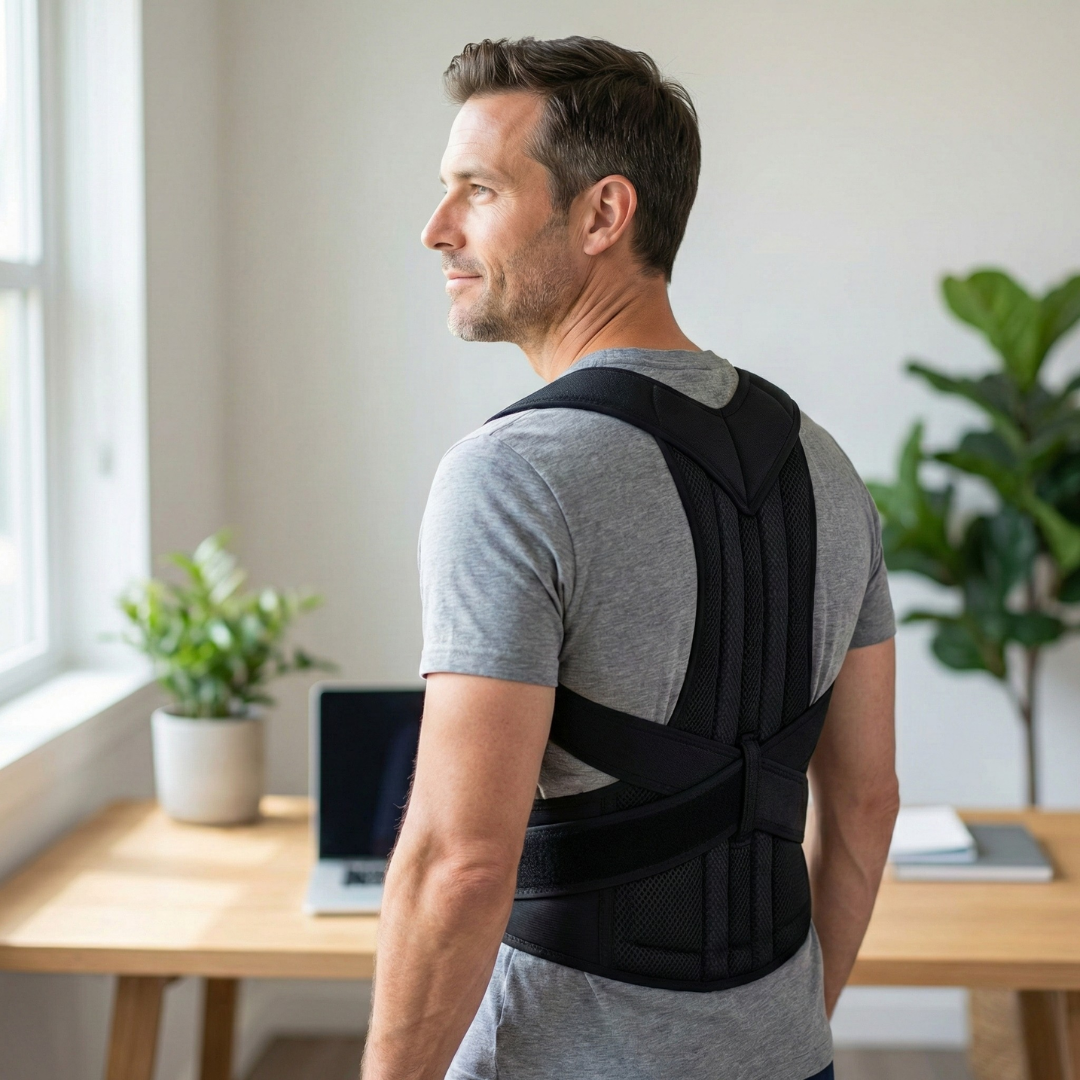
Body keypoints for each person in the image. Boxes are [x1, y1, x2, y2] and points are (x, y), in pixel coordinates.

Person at [362, 36, 899, 1080]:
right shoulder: (828, 468)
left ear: (604, 213)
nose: (435, 230)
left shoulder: (511, 475)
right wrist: (783, 1032)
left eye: (477, 190)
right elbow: (867, 801)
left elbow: (460, 862)